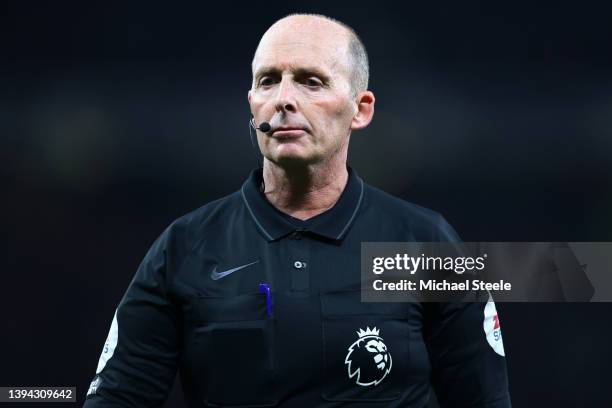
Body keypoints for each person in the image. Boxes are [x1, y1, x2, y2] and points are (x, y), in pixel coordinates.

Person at [83, 14, 511, 408]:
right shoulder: (184, 247)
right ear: (251, 103)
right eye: (268, 81)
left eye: (311, 81)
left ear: (360, 109)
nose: (283, 99)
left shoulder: (426, 243)